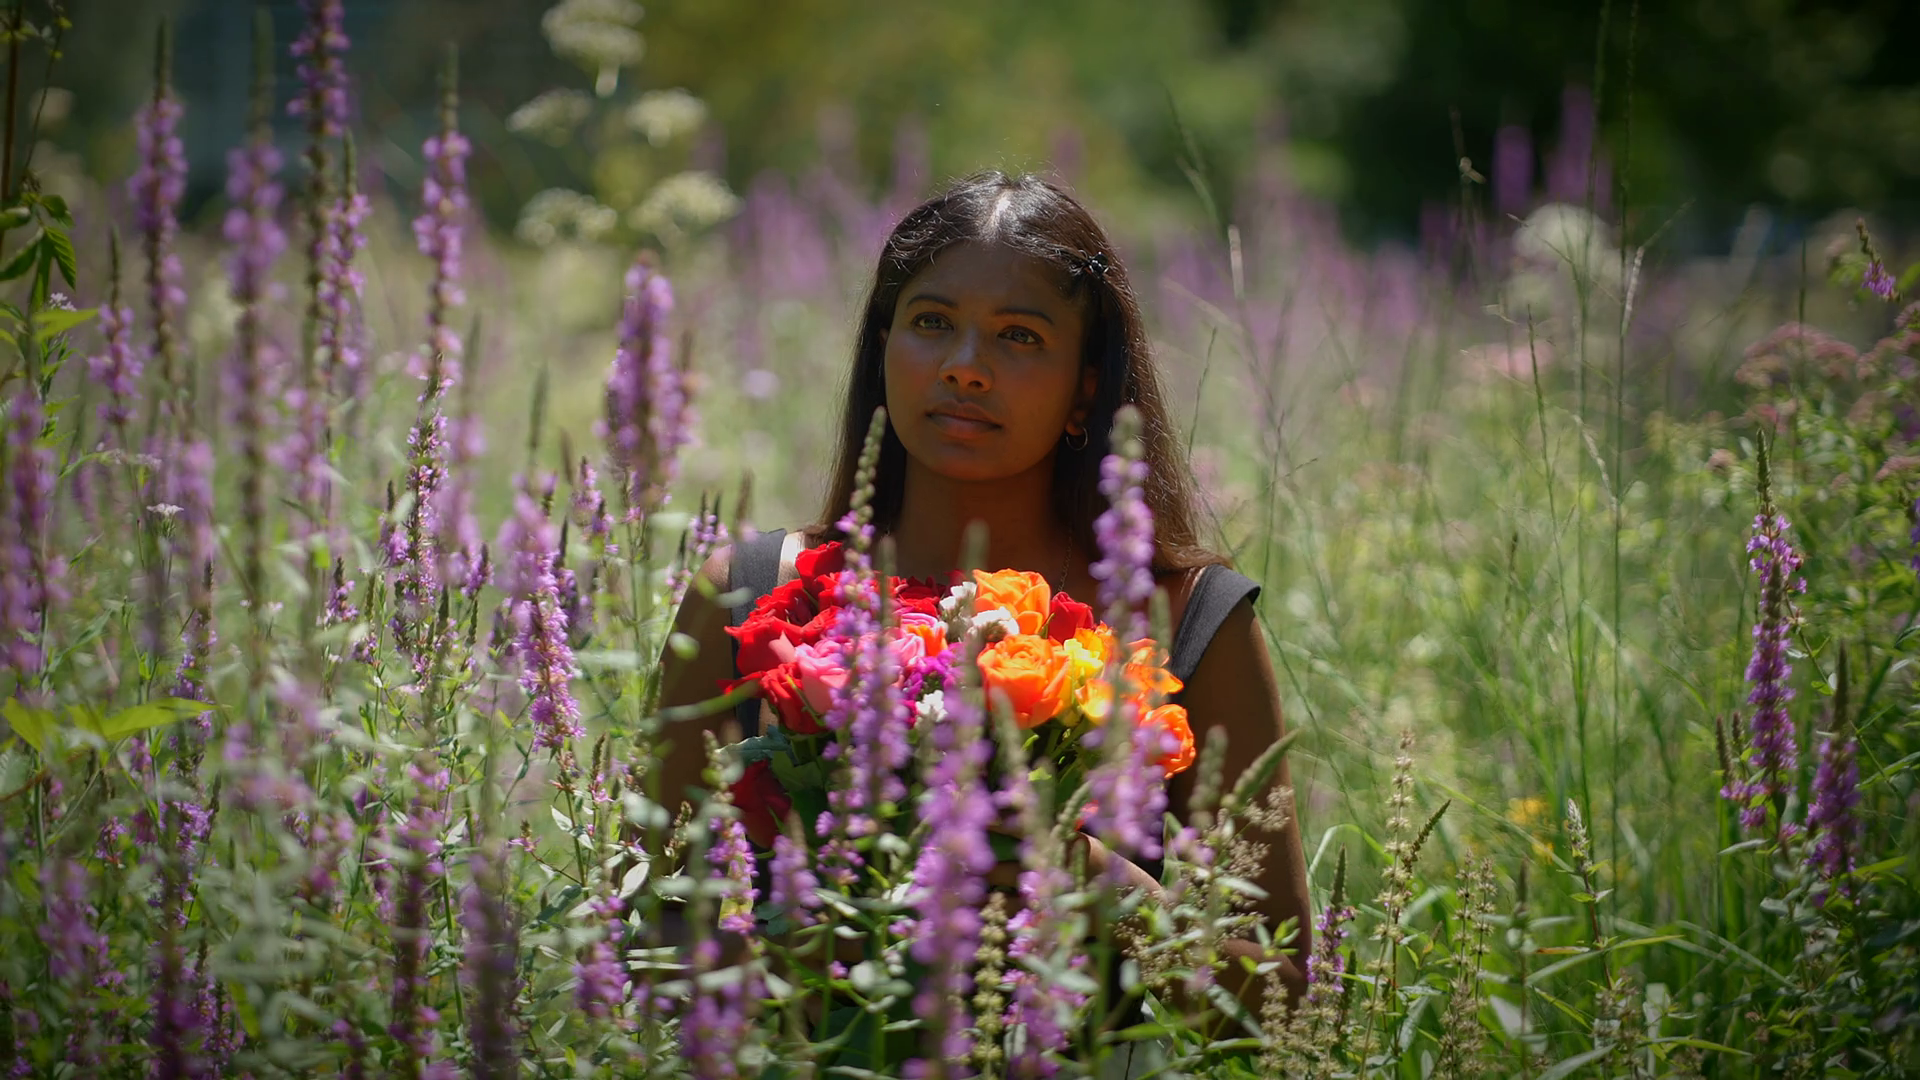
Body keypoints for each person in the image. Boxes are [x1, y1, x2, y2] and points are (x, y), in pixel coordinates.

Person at [654, 171, 1312, 1022]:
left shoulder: (1190, 619)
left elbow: (1288, 1004)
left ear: (1086, 386)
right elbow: (649, 918)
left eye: (1019, 337)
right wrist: (807, 953)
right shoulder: (749, 595)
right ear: (883, 348)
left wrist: (1104, 888)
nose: (964, 368)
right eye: (932, 323)